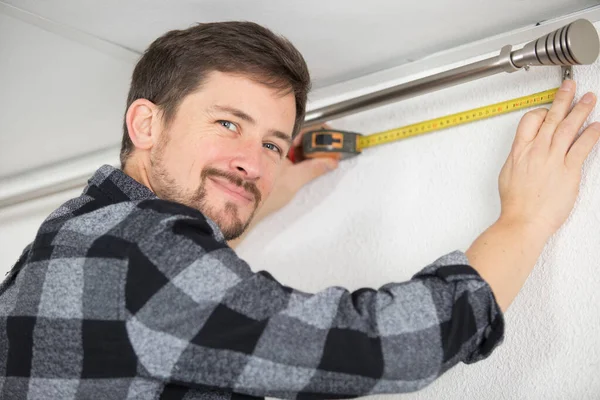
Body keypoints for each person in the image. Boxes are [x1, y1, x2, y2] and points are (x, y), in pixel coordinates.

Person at [0, 20, 598, 400]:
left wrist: (251, 177)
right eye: (227, 123)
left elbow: (186, 287)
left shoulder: (61, 247)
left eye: (269, 143)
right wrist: (524, 221)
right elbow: (374, 346)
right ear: (146, 123)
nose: (253, 162)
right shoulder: (141, 253)